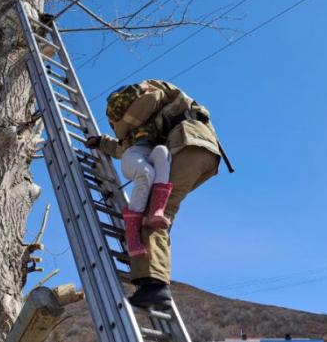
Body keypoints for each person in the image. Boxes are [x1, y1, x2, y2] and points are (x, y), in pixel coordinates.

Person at [86, 80, 229, 310]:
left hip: (186, 144)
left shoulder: (152, 101)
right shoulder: (166, 103)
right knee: (162, 211)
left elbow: (130, 144)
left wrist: (108, 138)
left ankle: (154, 286)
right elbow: (131, 145)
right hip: (205, 153)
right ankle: (151, 275)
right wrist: (103, 142)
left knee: (154, 215)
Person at [85, 84, 174, 257]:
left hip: (151, 152)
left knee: (163, 152)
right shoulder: (126, 132)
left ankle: (157, 210)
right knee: (146, 173)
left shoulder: (154, 124)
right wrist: (100, 142)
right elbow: (117, 147)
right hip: (133, 155)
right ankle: (132, 234)